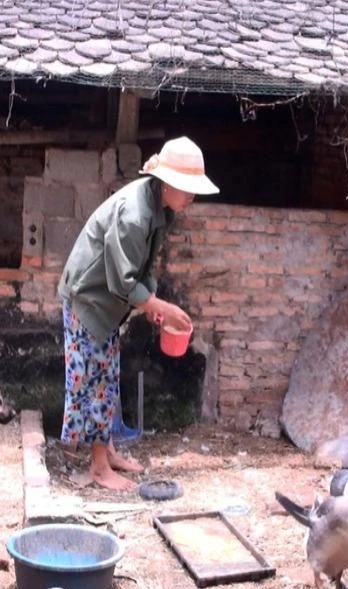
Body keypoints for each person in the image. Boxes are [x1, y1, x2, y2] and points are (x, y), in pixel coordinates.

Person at [57, 136, 219, 490]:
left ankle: (107, 451)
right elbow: (122, 281)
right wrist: (159, 306)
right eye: (188, 187)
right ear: (167, 182)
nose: (192, 196)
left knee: (107, 377)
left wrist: (151, 301)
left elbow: (143, 267)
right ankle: (99, 468)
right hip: (89, 299)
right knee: (95, 383)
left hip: (106, 300)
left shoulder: (159, 208)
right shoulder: (135, 214)